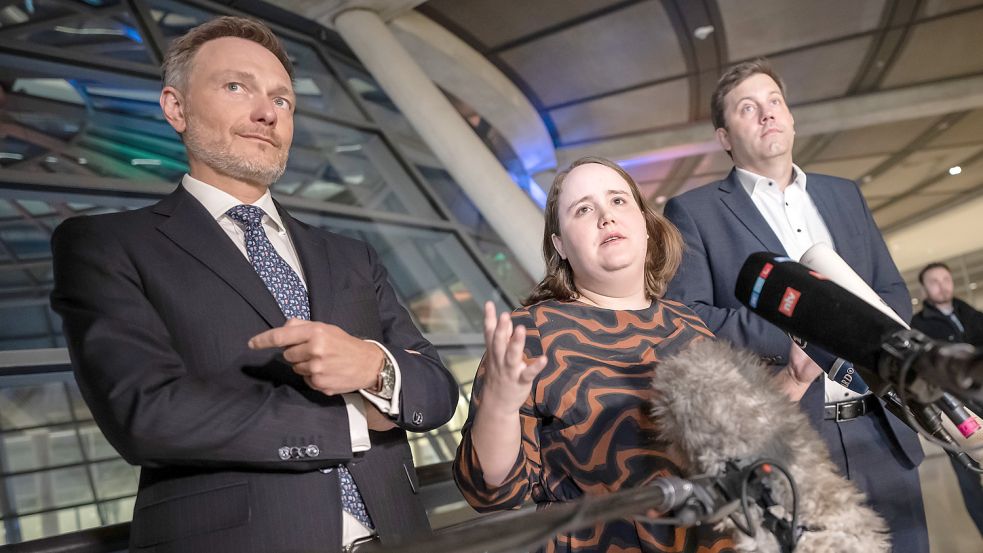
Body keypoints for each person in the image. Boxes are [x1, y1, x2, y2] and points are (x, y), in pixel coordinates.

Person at [50, 16, 458, 553]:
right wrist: (354, 422)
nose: (267, 112)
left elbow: (437, 389)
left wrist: (373, 367)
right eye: (236, 87)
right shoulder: (105, 244)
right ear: (176, 107)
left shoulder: (350, 255)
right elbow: (147, 413)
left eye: (283, 100)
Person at [662, 59, 928, 552]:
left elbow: (891, 293)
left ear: (791, 117)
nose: (767, 114)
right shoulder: (693, 212)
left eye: (774, 102)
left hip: (881, 426)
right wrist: (802, 332)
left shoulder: (843, 194)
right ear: (724, 136)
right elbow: (691, 318)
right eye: (747, 108)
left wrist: (857, 334)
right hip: (792, 437)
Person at [453, 157, 735, 552]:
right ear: (560, 245)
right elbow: (490, 492)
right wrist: (499, 406)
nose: (606, 216)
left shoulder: (690, 326)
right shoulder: (532, 334)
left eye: (618, 201)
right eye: (583, 209)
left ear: (645, 225)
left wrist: (794, 378)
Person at [911, 262, 983, 536]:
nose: (942, 285)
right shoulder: (918, 326)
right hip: (954, 415)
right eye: (934, 281)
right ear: (924, 289)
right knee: (970, 480)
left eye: (945, 279)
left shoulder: (971, 314)